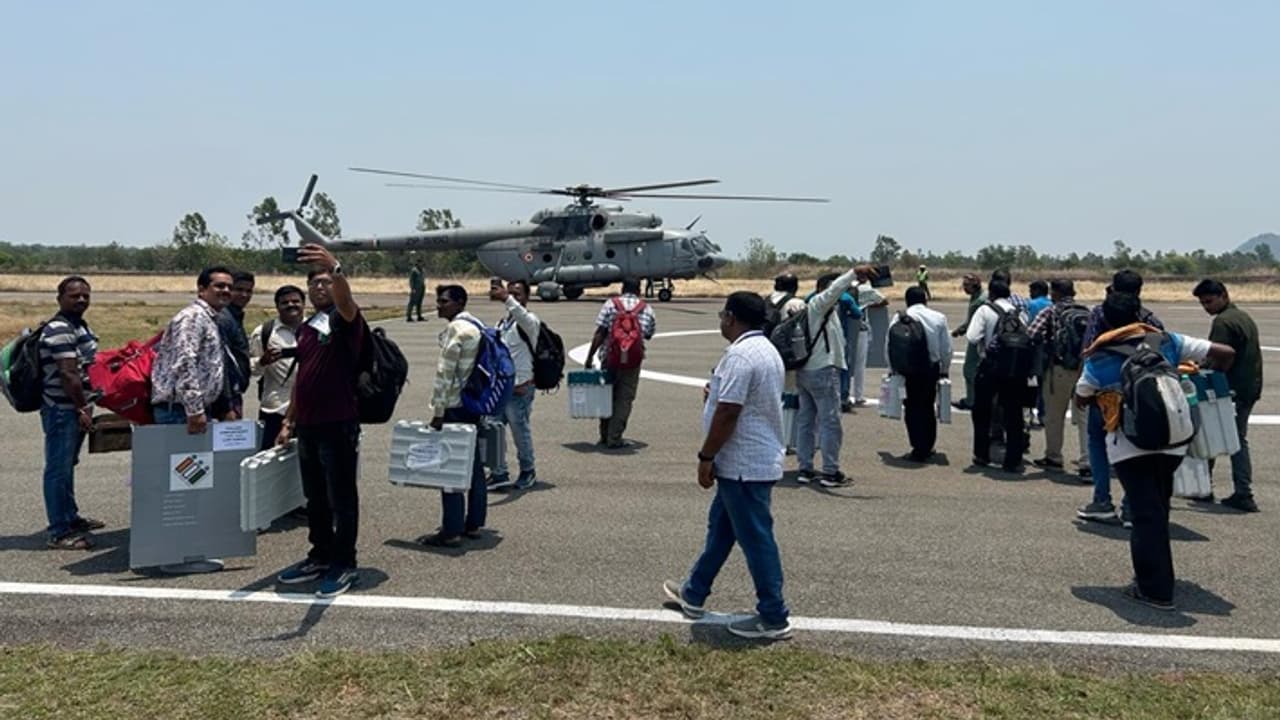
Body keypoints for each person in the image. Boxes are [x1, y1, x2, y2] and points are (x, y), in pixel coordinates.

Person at [1075, 291, 1235, 611]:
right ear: (1139, 314)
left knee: (1145, 514)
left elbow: (1082, 395)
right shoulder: (1167, 341)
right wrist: (1206, 377)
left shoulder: (1100, 354)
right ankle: (1161, 576)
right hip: (1174, 440)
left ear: (1105, 320)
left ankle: (1155, 590)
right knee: (1158, 508)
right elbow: (1225, 352)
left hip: (1130, 446)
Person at [663, 292, 792, 640]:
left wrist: (706, 457)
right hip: (749, 461)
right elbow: (735, 401)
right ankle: (694, 591)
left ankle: (773, 615)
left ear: (732, 318)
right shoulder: (766, 350)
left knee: (757, 540)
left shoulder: (739, 355)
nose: (720, 320)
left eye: (722, 315)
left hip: (743, 465)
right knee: (721, 530)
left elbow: (729, 412)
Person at [274, 246, 367, 598]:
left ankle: (345, 563)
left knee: (342, 498)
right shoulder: (308, 328)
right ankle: (321, 554)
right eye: (314, 284)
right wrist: (289, 421)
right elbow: (303, 378)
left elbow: (346, 302)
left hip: (338, 423)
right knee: (315, 497)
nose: (319, 288)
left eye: (326, 283)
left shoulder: (345, 320)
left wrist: (336, 269)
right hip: (309, 427)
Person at [1077, 270, 1163, 525]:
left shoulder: (1100, 314)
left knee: (1097, 443)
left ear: (1112, 288)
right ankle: (1130, 506)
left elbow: (1087, 349)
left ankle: (1102, 499)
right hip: (1139, 395)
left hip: (1102, 394)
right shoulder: (1149, 320)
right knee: (1136, 449)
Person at [418, 284, 489, 547]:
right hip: (474, 404)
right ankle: (473, 523)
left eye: (444, 301)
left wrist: (437, 412)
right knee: (474, 467)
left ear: (459, 303)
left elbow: (445, 375)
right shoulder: (477, 326)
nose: (439, 305)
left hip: (455, 407)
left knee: (449, 469)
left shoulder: (456, 330)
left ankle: (451, 530)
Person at [38, 276, 102, 550]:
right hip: (63, 409)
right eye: (74, 295)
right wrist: (81, 407)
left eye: (85, 295)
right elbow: (68, 373)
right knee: (58, 469)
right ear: (60, 298)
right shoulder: (59, 329)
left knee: (67, 466)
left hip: (73, 408)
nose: (81, 300)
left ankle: (70, 517)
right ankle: (59, 531)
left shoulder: (77, 325)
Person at [1193, 279, 1261, 513]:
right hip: (1248, 387)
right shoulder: (1243, 317)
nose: (1207, 307)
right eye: (1203, 304)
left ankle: (1216, 489)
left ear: (1223, 295)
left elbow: (1218, 357)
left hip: (1230, 389)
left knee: (1215, 438)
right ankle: (1241, 491)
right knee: (1236, 439)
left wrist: (1202, 371)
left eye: (1209, 301)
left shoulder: (1223, 322)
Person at [794, 266, 862, 486]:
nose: (844, 295)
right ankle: (830, 472)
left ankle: (805, 468)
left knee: (806, 421)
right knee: (830, 422)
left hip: (806, 371)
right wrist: (852, 273)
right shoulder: (819, 304)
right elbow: (834, 291)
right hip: (822, 371)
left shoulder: (813, 308)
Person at [151, 266, 233, 432]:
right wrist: (194, 410)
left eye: (229, 287)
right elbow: (185, 363)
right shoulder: (193, 317)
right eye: (219, 286)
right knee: (183, 459)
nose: (226, 291)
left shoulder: (209, 318)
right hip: (180, 412)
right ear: (202, 290)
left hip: (192, 409)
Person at [1027, 279, 1090, 475]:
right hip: (1084, 369)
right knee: (1084, 417)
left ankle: (1054, 457)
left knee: (1054, 415)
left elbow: (1031, 334)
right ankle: (1087, 462)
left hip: (1059, 369)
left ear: (1054, 293)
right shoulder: (1087, 312)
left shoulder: (1050, 311)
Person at [585, 278, 656, 449]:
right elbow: (648, 334)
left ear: (623, 288)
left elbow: (600, 332)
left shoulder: (611, 304)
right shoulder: (646, 308)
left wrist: (590, 357)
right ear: (639, 290)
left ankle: (604, 435)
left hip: (609, 358)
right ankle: (615, 437)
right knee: (624, 399)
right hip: (632, 361)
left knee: (606, 396)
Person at [966, 279, 1028, 472]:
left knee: (982, 412)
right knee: (1013, 415)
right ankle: (1013, 459)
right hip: (1015, 370)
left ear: (991, 294)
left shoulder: (985, 310)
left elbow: (972, 336)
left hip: (990, 368)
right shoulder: (1020, 313)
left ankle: (982, 454)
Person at [488, 279, 542, 491]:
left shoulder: (529, 322)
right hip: (500, 388)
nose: (512, 297)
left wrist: (506, 298)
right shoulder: (503, 323)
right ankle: (498, 471)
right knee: (493, 430)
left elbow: (520, 314)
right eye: (510, 293)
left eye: (518, 294)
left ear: (527, 297)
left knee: (520, 432)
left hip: (520, 388)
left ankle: (528, 471)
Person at [888, 286, 951, 462]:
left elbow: (890, 345)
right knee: (927, 406)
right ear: (925, 300)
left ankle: (917, 446)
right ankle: (928, 446)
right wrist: (945, 369)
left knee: (911, 407)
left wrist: (892, 369)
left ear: (907, 301)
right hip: (929, 369)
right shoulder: (938, 317)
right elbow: (946, 348)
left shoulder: (898, 317)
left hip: (907, 369)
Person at [248, 284, 305, 452]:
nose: (291, 305)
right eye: (285, 302)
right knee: (272, 464)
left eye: (296, 301)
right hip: (275, 410)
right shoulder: (264, 333)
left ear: (303, 304)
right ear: (277, 306)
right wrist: (262, 361)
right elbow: (253, 370)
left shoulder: (317, 329)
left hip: (310, 411)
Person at [767, 274, 807, 454]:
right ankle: (786, 440)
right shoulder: (796, 303)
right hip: (788, 356)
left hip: (768, 353)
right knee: (790, 397)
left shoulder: (765, 301)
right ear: (795, 286)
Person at [215, 270, 255, 420]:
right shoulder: (224, 319)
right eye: (239, 290)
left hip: (234, 393)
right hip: (227, 397)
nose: (244, 295)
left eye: (248, 291)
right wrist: (226, 405)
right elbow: (222, 363)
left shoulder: (235, 316)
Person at [850, 267, 887, 406]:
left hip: (846, 329)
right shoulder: (868, 290)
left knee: (846, 363)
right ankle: (858, 395)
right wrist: (870, 304)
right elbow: (884, 300)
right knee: (859, 364)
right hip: (860, 328)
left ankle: (844, 393)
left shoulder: (848, 288)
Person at [951, 274, 986, 410]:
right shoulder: (979, 297)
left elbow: (971, 324)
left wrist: (959, 331)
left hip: (977, 339)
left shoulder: (978, 301)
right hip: (983, 338)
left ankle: (971, 400)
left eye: (967, 285)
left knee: (969, 369)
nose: (964, 288)